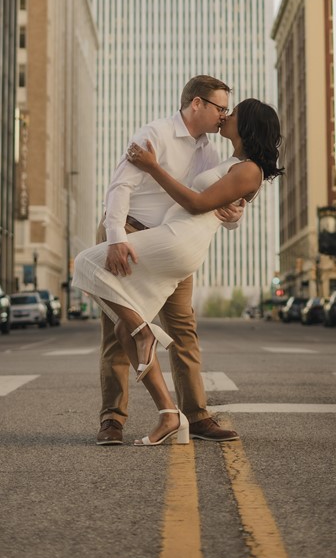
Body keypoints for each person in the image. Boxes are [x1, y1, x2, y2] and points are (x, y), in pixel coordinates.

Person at [73, 98, 284, 447]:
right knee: (119, 330)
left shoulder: (224, 159)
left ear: (246, 125)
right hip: (133, 234)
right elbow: (121, 187)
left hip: (171, 244)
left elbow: (205, 204)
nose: (225, 114)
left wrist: (155, 168)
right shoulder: (158, 133)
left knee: (179, 330)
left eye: (232, 111)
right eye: (221, 107)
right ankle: (140, 416)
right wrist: (115, 236)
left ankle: (196, 414)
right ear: (198, 103)